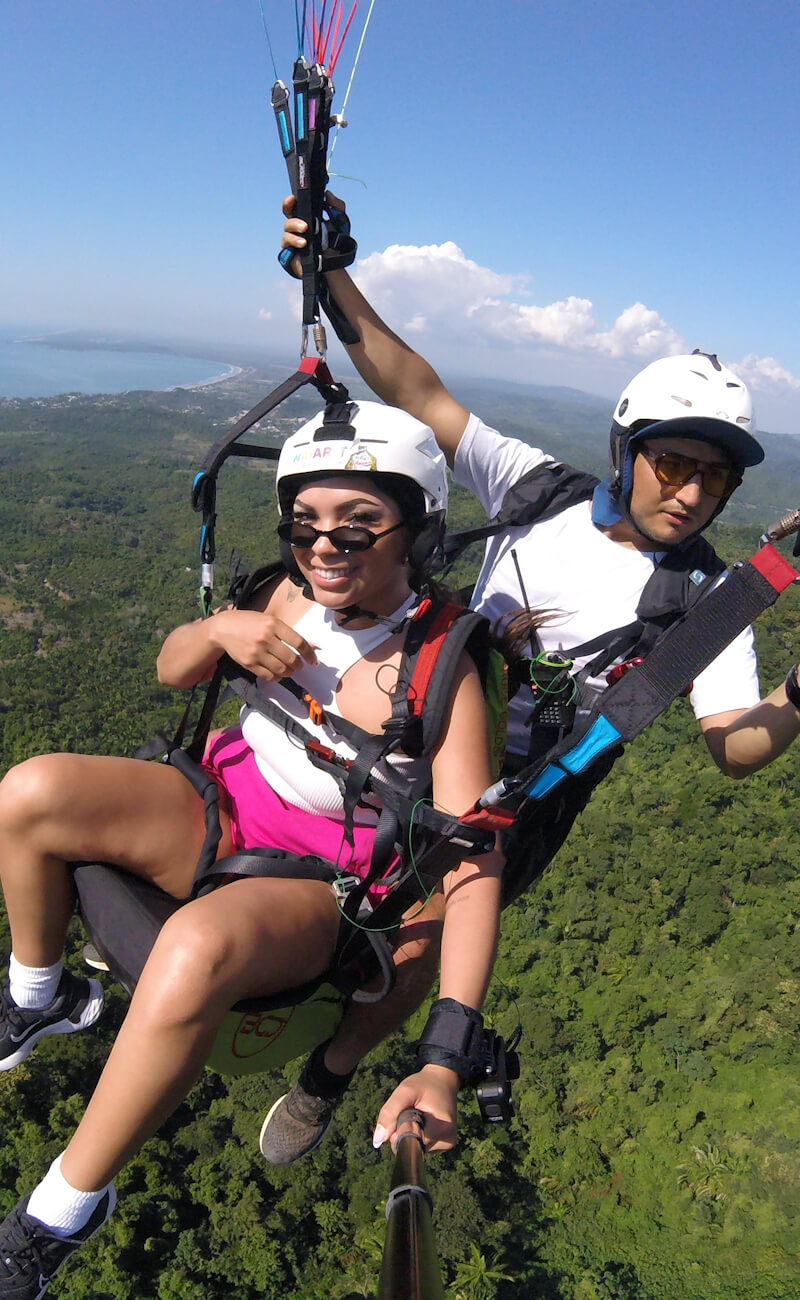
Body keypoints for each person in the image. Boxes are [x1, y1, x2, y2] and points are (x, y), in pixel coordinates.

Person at [259, 195, 800, 1163]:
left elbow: (732, 745)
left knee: (422, 940)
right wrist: (332, 275)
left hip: (520, 795)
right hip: (420, 726)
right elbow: (417, 391)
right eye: (672, 463)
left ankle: (328, 1074)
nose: (690, 493)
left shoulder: (706, 601)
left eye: (714, 479)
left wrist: (794, 697)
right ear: (627, 450)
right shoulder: (537, 491)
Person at [0, 401, 503, 1297]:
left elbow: (471, 861)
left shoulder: (439, 670)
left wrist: (447, 1050)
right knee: (30, 791)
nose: (325, 547)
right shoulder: (282, 593)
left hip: (324, 876)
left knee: (195, 946)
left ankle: (62, 1211)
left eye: (358, 525)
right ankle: (41, 996)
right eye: (305, 523)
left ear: (416, 529)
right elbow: (172, 670)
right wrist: (215, 632)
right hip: (229, 802)